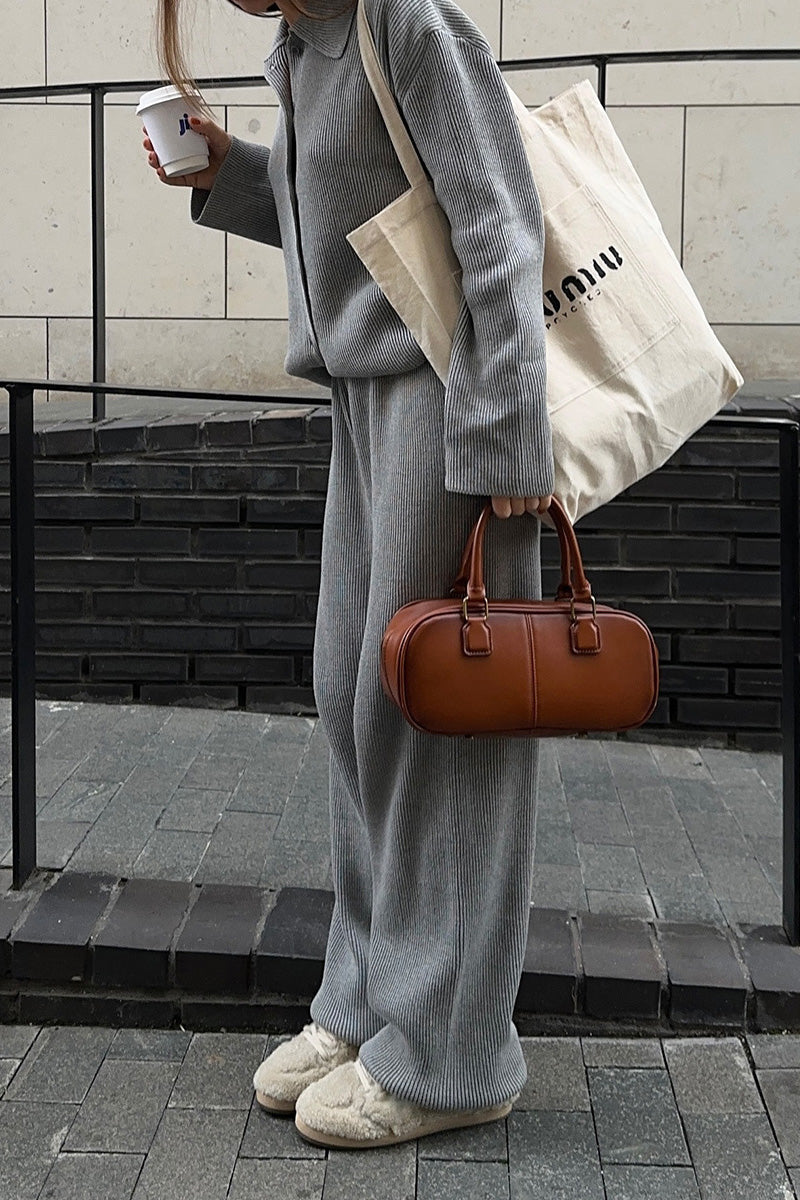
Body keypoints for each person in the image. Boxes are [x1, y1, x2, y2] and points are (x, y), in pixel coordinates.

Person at [146, 0, 554, 1151]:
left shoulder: (406, 24)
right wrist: (229, 174)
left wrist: (508, 436)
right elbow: (358, 218)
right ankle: (372, 1001)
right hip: (365, 408)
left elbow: (498, 223)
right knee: (352, 699)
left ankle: (448, 1056)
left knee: (433, 729)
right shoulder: (302, 45)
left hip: (445, 404)